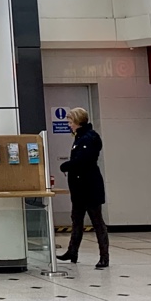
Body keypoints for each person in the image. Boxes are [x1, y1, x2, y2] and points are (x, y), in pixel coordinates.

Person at [57, 108, 109, 269]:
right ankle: (72, 251)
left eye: (71, 122)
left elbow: (83, 161)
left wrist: (65, 166)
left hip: (89, 186)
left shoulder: (89, 138)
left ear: (78, 122)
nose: (69, 125)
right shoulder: (80, 137)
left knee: (97, 221)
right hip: (79, 188)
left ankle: (104, 257)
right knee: (76, 220)